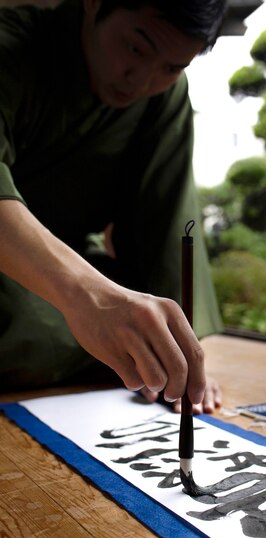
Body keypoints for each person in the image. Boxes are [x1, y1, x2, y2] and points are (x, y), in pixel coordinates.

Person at [0, 0, 225, 412]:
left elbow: (167, 222)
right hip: (20, 265)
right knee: (31, 332)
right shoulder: (11, 45)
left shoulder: (164, 95)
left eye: (173, 67)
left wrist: (181, 348)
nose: (141, 81)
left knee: (137, 315)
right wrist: (89, 297)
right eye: (136, 49)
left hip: (81, 265)